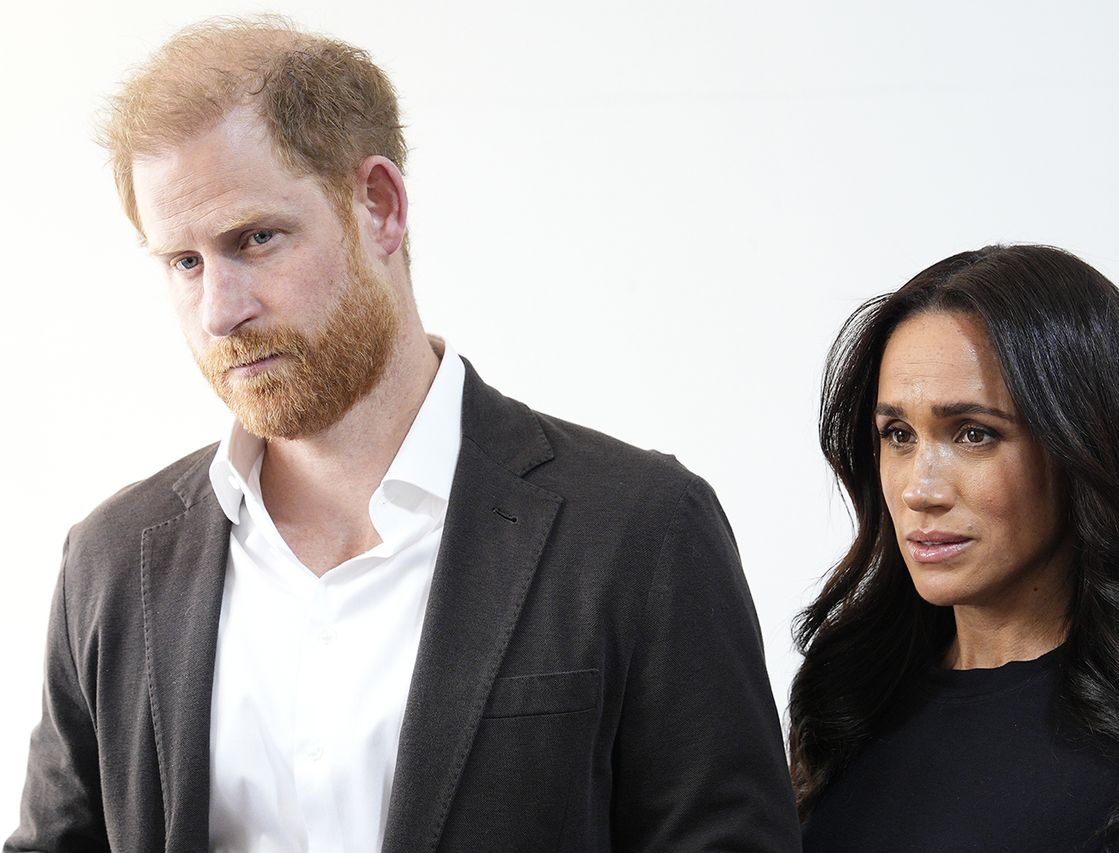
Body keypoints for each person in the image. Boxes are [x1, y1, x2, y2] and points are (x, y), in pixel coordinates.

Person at [5, 16, 800, 853]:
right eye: (185, 262)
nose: (220, 310)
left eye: (256, 238)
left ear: (378, 206)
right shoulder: (111, 559)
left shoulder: (640, 529)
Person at [789, 244, 1119, 851]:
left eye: (973, 434)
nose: (919, 488)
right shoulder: (851, 701)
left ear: (1084, 447)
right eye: (898, 434)